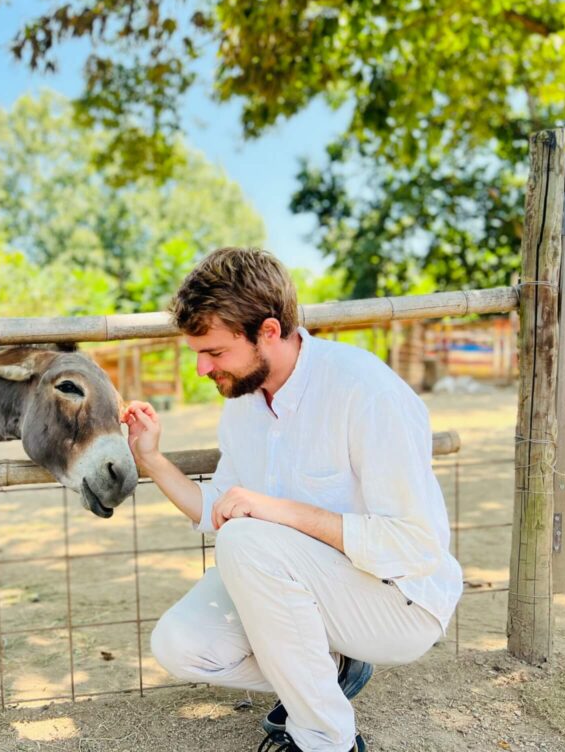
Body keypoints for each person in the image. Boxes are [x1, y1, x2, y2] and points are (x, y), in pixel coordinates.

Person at [121, 248, 462, 752]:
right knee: (181, 646)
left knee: (246, 540)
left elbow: (415, 546)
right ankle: (330, 671)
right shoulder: (243, 403)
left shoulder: (365, 390)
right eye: (197, 352)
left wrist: (276, 511)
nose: (200, 369)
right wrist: (149, 458)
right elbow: (217, 508)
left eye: (214, 352)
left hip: (400, 600)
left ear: (269, 331)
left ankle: (327, 740)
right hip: (309, 587)